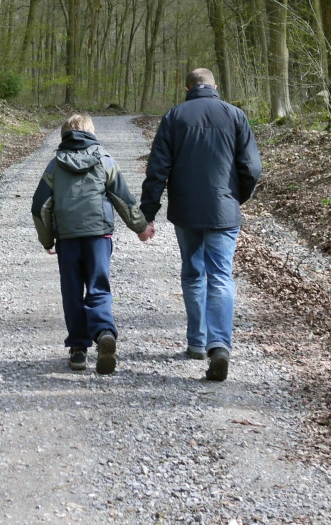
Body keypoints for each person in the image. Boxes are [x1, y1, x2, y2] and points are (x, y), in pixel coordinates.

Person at [140, 68, 262, 381]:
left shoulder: (174, 117)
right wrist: (236, 197)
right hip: (223, 210)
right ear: (215, 85)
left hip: (186, 211)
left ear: (187, 87)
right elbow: (251, 167)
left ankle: (196, 342)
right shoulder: (235, 115)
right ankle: (219, 345)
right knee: (220, 275)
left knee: (194, 273)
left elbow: (157, 170)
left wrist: (148, 213)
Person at [32, 114, 154, 374]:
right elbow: (123, 199)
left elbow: (40, 206)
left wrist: (47, 238)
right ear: (91, 133)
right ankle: (104, 333)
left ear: (64, 135)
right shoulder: (105, 160)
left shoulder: (55, 166)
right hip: (99, 237)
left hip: (67, 239)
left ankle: (78, 350)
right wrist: (141, 228)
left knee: (72, 291)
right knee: (99, 287)